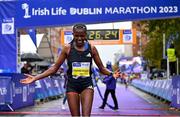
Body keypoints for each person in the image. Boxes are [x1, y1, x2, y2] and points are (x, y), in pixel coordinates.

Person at [20, 24, 120, 116]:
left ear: (86, 35)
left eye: (82, 36)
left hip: (87, 85)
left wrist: (112, 73)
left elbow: (101, 68)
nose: (79, 38)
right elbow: (54, 68)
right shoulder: (67, 48)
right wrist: (35, 78)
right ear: (73, 35)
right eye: (77, 36)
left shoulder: (92, 48)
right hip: (72, 86)